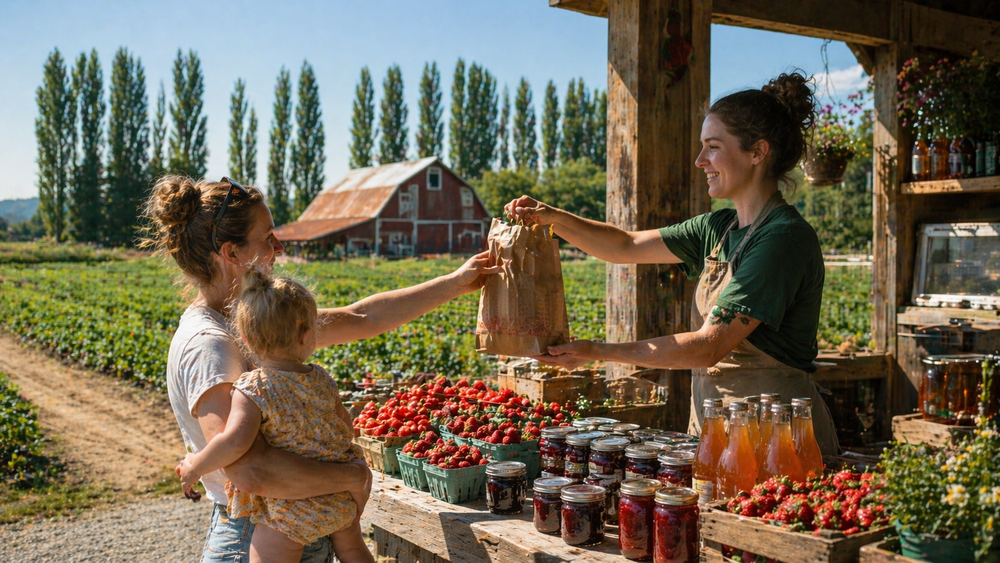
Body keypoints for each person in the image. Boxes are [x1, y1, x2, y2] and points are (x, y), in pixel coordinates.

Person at [142, 176, 498, 562]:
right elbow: (250, 470)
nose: (279, 248)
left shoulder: (259, 322)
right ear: (230, 253)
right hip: (256, 537)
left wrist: (456, 282)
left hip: (294, 523)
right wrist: (352, 477)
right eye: (267, 238)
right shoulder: (210, 344)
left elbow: (360, 317)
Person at [504, 72, 839, 456]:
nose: (700, 161)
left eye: (713, 147)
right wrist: (553, 218)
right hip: (722, 433)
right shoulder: (717, 227)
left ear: (757, 153)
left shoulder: (782, 238)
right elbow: (625, 245)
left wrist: (596, 350)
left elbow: (707, 347)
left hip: (777, 441)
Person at [178, 269, 371, 563]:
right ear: (307, 335)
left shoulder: (254, 386)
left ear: (246, 338)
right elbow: (345, 427)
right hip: (337, 499)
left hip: (290, 510)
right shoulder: (322, 379)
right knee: (355, 552)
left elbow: (233, 443)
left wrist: (195, 465)